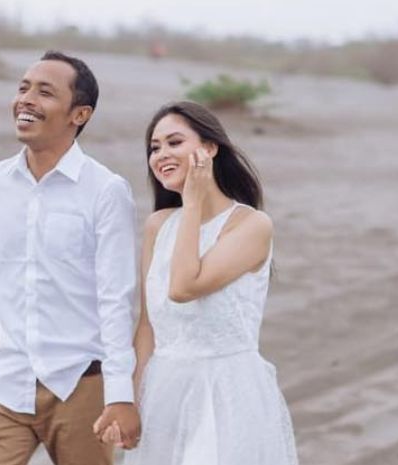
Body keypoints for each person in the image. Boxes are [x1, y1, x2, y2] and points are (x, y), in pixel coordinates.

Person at [0, 50, 141, 465]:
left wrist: (120, 394)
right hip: (8, 382)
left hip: (81, 385)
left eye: (45, 92)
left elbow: (116, 298)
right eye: (23, 88)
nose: (26, 100)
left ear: (79, 114)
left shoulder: (106, 190)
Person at [101, 101, 298, 464]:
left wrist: (192, 204)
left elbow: (183, 288)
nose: (161, 155)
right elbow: (147, 326)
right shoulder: (158, 225)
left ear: (209, 148)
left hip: (227, 394)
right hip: (165, 394)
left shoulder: (251, 225)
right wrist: (130, 401)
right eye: (154, 148)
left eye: (174, 142)